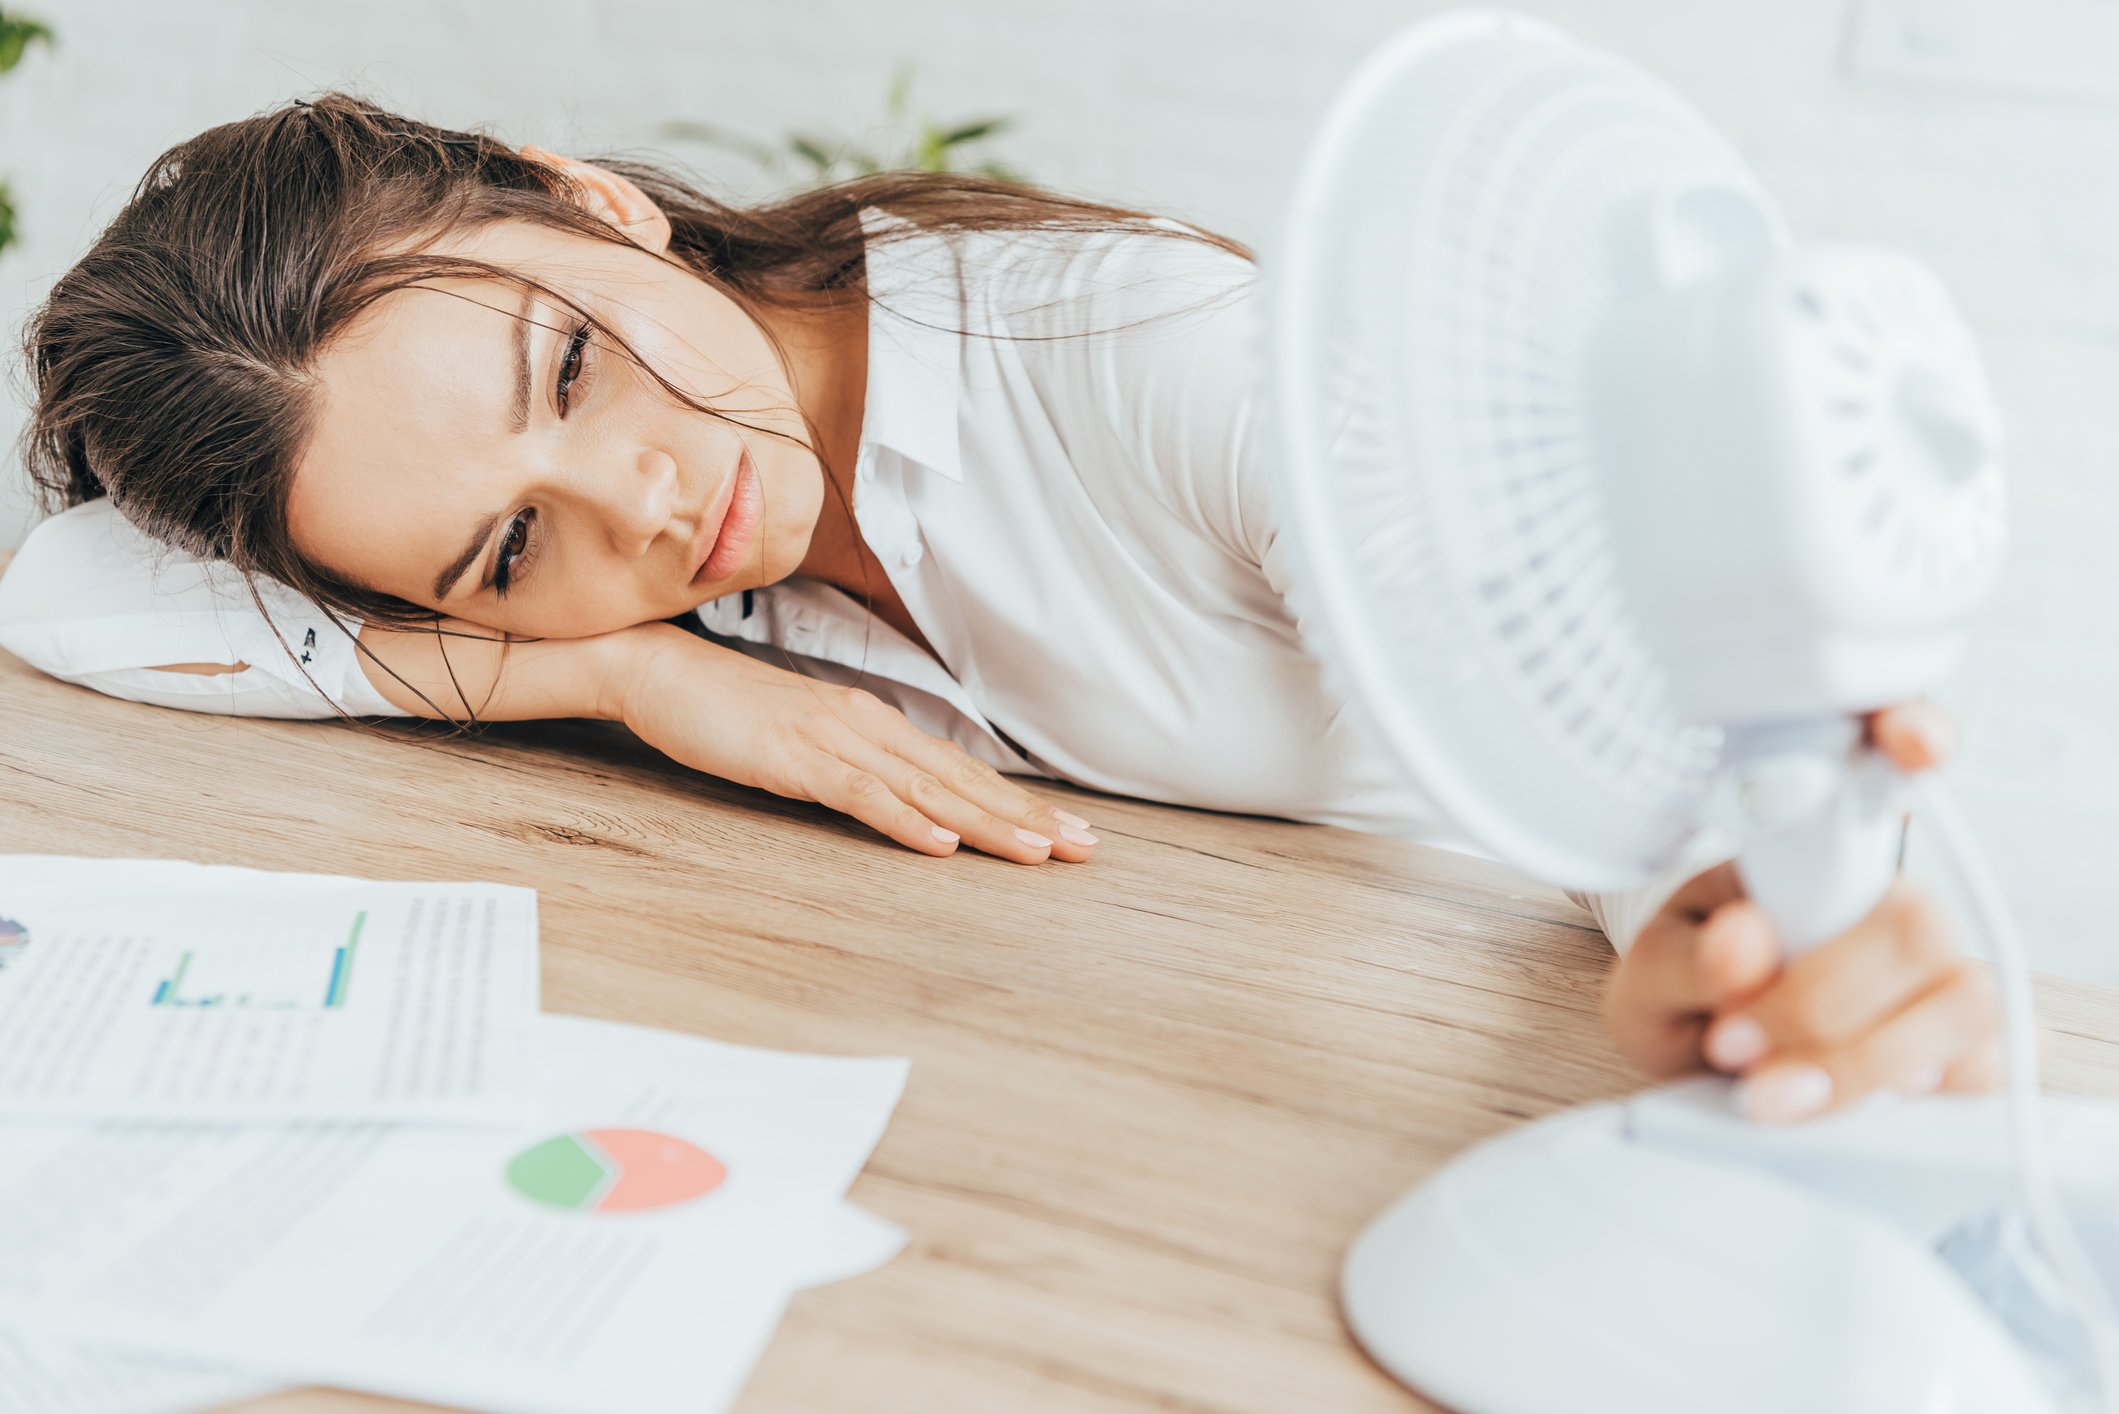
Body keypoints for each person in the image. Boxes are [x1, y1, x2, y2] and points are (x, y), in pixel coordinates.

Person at [0, 95, 1999, 1121]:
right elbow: (67, 590)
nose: (645, 500)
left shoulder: (1163, 356)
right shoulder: (649, 605)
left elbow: (1651, 758)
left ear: (589, 199)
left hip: (1475, 1013)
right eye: (510, 548)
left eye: (573, 372)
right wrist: (625, 678)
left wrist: (1730, 935)